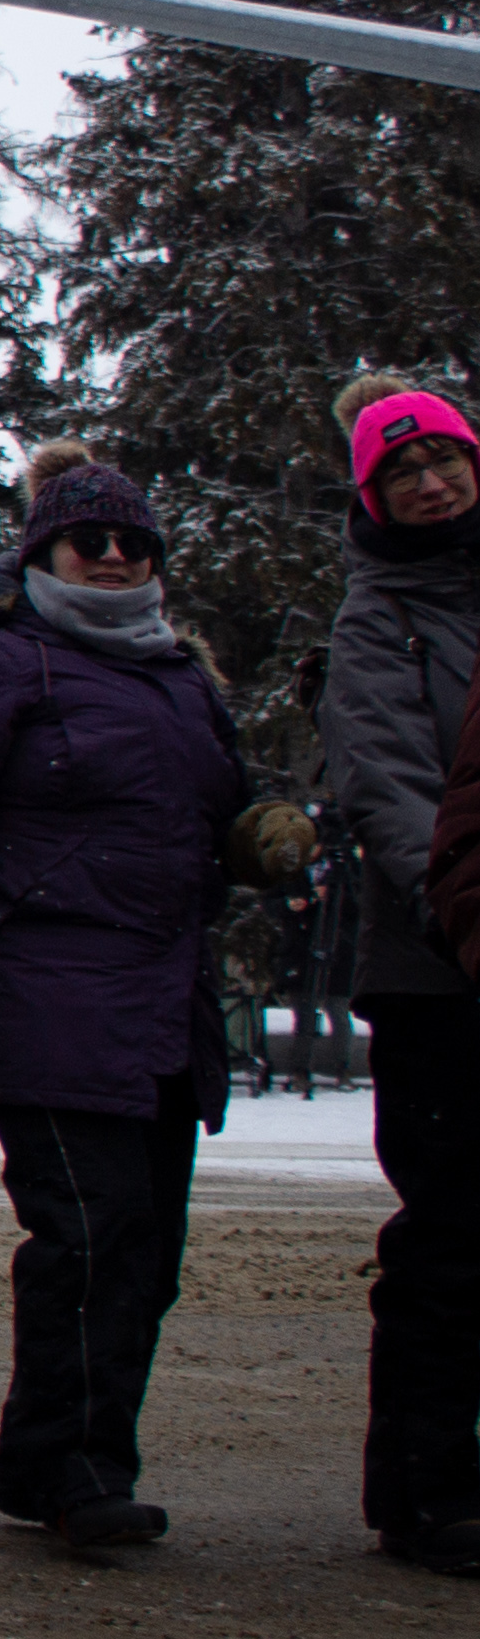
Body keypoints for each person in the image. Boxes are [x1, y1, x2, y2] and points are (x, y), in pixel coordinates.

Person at [0, 442, 302, 1556]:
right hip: (43, 990)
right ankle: (74, 1468)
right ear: (40, 554)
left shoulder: (179, 676)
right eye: (86, 540)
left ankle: (62, 1457)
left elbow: (215, 815)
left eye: (132, 542)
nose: (111, 557)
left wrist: (259, 838)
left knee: (146, 1248)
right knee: (87, 1231)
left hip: (160, 1002)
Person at [338, 379, 480, 1572]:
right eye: (402, 471)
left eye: (443, 461)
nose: (428, 482)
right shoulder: (378, 617)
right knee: (447, 1231)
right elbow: (388, 783)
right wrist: (460, 907)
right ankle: (423, 1487)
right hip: (437, 967)